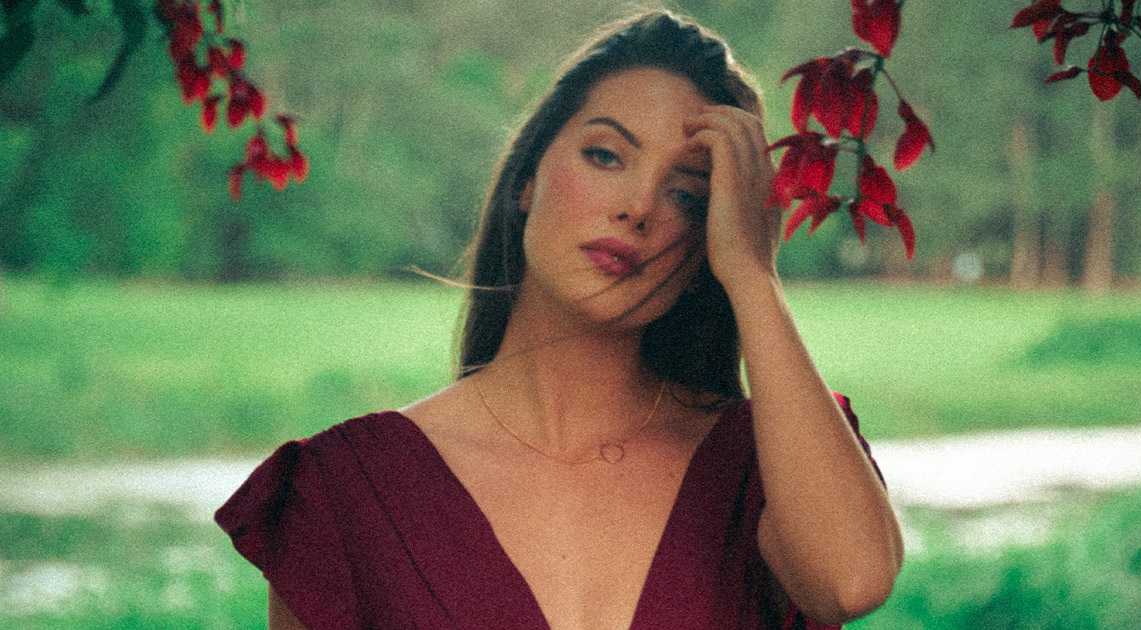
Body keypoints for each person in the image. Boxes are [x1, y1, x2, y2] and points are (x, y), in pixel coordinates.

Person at [215, 10, 902, 630]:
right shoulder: (346, 493)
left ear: (710, 243)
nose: (639, 206)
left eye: (689, 196)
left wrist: (753, 275)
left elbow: (849, 583)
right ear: (527, 177)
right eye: (606, 155)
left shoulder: (769, 470)